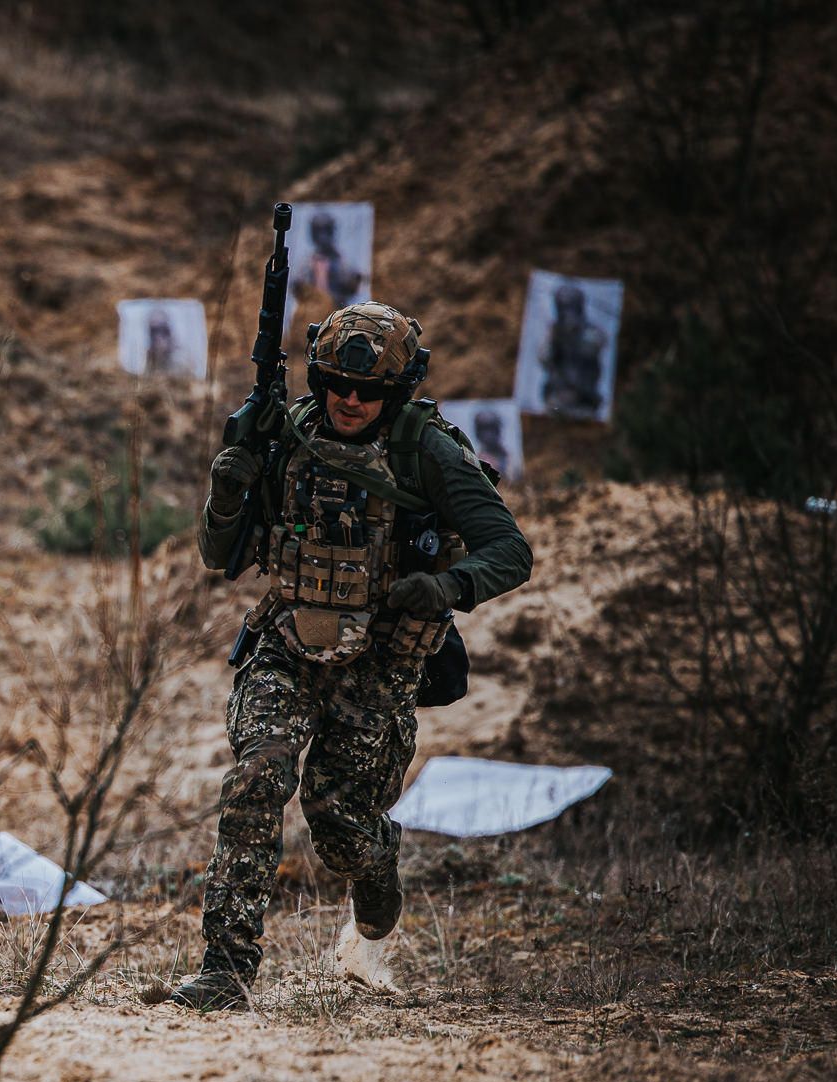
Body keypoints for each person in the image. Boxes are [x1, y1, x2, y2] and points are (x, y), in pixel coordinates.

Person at [178, 302, 531, 1010]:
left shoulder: (426, 450)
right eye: (337, 382)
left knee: (339, 827)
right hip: (287, 641)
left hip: (378, 659)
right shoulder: (291, 432)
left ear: (393, 395)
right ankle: (226, 964)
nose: (349, 399)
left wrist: (447, 585)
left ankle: (378, 867)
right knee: (258, 771)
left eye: (368, 391)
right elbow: (222, 556)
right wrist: (228, 489)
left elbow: (510, 551)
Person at [538, 282, 608, 419]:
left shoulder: (592, 332)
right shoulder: (553, 332)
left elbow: (595, 347)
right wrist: (553, 339)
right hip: (556, 399)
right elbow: (544, 359)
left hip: (583, 400)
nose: (567, 312)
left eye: (571, 307)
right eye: (563, 307)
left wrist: (573, 334)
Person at [293, 212, 365, 311]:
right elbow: (297, 288)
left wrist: (354, 281)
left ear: (332, 232)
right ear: (313, 234)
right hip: (313, 314)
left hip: (337, 313)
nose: (322, 237)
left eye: (326, 231)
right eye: (319, 232)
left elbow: (352, 288)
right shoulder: (306, 263)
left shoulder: (342, 262)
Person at [145, 306, 179, 376]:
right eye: (154, 331)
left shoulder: (180, 360)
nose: (158, 337)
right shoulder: (148, 358)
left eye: (163, 332)